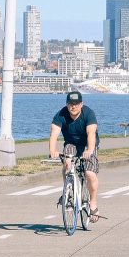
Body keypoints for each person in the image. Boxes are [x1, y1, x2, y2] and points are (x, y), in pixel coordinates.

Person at [49, 91, 101, 222]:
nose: (73, 107)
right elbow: (54, 133)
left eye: (76, 104)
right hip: (71, 143)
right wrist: (52, 151)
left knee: (89, 174)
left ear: (81, 104)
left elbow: (91, 133)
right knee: (67, 162)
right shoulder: (61, 114)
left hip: (88, 144)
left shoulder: (88, 113)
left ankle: (93, 203)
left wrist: (89, 150)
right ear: (67, 105)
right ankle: (68, 191)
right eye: (70, 104)